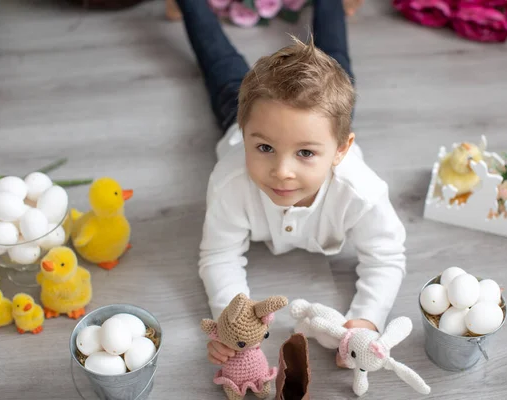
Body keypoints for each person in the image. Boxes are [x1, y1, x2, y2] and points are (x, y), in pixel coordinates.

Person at [173, 0, 406, 368]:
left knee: (337, 61)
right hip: (257, 118)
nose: (282, 171)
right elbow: (219, 256)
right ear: (246, 132)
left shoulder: (361, 192)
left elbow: (386, 257)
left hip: (319, 126)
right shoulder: (230, 183)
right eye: (264, 147)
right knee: (220, 66)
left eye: (305, 154)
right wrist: (231, 321)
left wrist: (366, 318)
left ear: (342, 150)